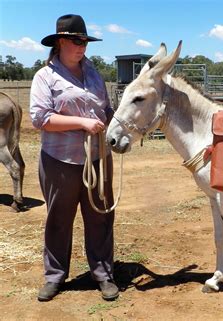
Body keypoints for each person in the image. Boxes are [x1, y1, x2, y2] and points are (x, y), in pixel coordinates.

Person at [30, 14, 118, 302]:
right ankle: (54, 276)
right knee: (58, 218)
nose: (83, 47)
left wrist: (118, 125)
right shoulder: (45, 77)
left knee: (101, 217)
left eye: (85, 41)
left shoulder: (93, 73)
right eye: (77, 41)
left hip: (98, 157)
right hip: (60, 161)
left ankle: (104, 274)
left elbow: (106, 110)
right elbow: (40, 119)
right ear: (60, 42)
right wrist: (82, 124)